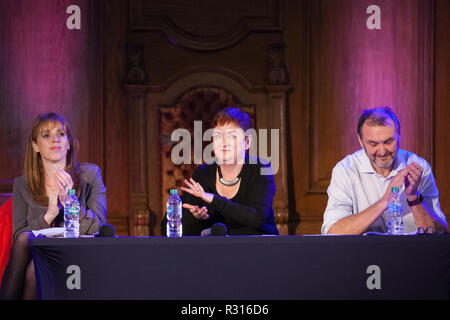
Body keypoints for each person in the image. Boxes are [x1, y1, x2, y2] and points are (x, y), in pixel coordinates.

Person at [0, 112, 107, 299]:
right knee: (34, 270)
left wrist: (69, 202)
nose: (55, 139)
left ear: (68, 143)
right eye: (46, 135)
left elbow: (99, 225)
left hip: (79, 253)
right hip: (39, 255)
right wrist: (49, 215)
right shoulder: (22, 184)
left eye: (61, 134)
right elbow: (18, 238)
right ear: (35, 146)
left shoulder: (91, 175)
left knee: (35, 268)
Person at [322, 107, 447, 235]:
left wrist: (413, 198)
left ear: (399, 136)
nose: (382, 152)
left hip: (410, 252)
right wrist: (384, 202)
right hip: (363, 253)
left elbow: (441, 231)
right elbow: (333, 232)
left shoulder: (419, 167)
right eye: (373, 144)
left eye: (388, 142)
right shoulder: (345, 170)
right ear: (360, 141)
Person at [161, 107, 279, 236]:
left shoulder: (260, 169)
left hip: (258, 248)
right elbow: (167, 229)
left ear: (247, 142)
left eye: (231, 136)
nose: (223, 143)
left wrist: (214, 199)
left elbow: (256, 219)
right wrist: (196, 218)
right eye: (218, 136)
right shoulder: (203, 173)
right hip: (217, 251)